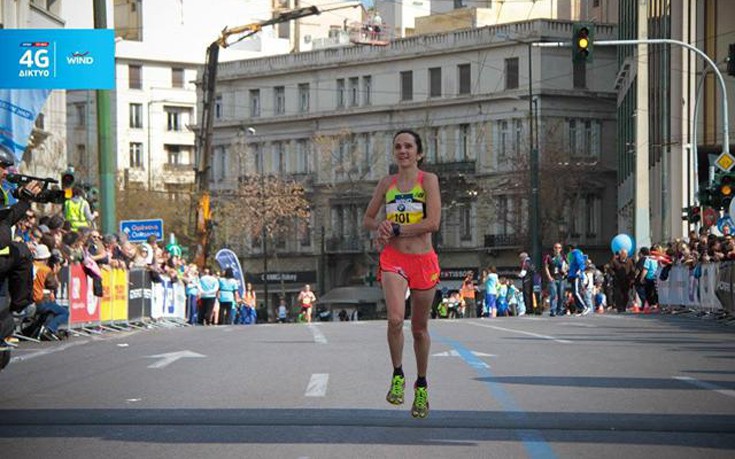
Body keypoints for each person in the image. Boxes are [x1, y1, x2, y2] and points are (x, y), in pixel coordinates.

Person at [363, 129, 441, 419]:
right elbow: (368, 218)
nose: (403, 150)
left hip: (423, 260)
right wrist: (381, 225)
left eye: (408, 146)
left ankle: (421, 384)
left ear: (418, 153)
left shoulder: (428, 181)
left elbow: (433, 222)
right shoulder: (387, 183)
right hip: (393, 258)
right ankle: (398, 374)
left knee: (419, 328)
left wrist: (398, 228)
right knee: (395, 319)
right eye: (398, 146)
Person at [31, 244, 68, 340]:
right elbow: (53, 285)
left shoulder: (29, 266)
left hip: (29, 300)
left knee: (51, 309)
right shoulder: (45, 270)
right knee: (64, 312)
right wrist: (55, 272)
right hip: (39, 300)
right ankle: (49, 329)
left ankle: (35, 330)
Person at [543, 242, 567, 317]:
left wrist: (565, 271)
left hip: (561, 278)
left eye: (559, 248)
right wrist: (549, 277)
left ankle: (559, 310)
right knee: (553, 294)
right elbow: (546, 267)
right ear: (553, 248)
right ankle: (553, 310)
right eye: (556, 247)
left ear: (561, 249)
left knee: (561, 295)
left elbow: (567, 266)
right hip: (553, 278)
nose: (557, 249)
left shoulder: (563, 257)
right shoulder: (549, 257)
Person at [610, 248, 635, 313]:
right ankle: (619, 308)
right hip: (617, 281)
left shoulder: (630, 261)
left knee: (626, 295)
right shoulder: (615, 261)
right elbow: (610, 269)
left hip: (626, 281)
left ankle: (624, 306)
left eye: (626, 254)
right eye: (623, 253)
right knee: (618, 294)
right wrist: (614, 275)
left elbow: (632, 271)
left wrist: (632, 279)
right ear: (621, 254)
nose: (625, 255)